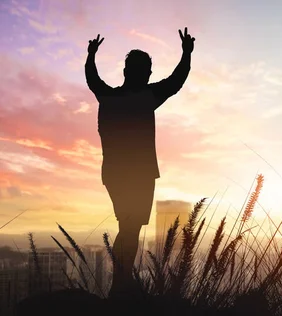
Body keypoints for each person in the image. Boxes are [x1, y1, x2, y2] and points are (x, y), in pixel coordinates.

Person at [85, 27, 195, 297]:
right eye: (146, 70)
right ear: (140, 73)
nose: (148, 75)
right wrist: (186, 54)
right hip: (140, 174)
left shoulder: (108, 96)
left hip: (113, 173)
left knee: (128, 225)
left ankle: (121, 280)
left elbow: (93, 80)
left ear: (124, 72)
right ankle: (121, 282)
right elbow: (176, 81)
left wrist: (90, 56)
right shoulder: (146, 97)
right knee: (130, 226)